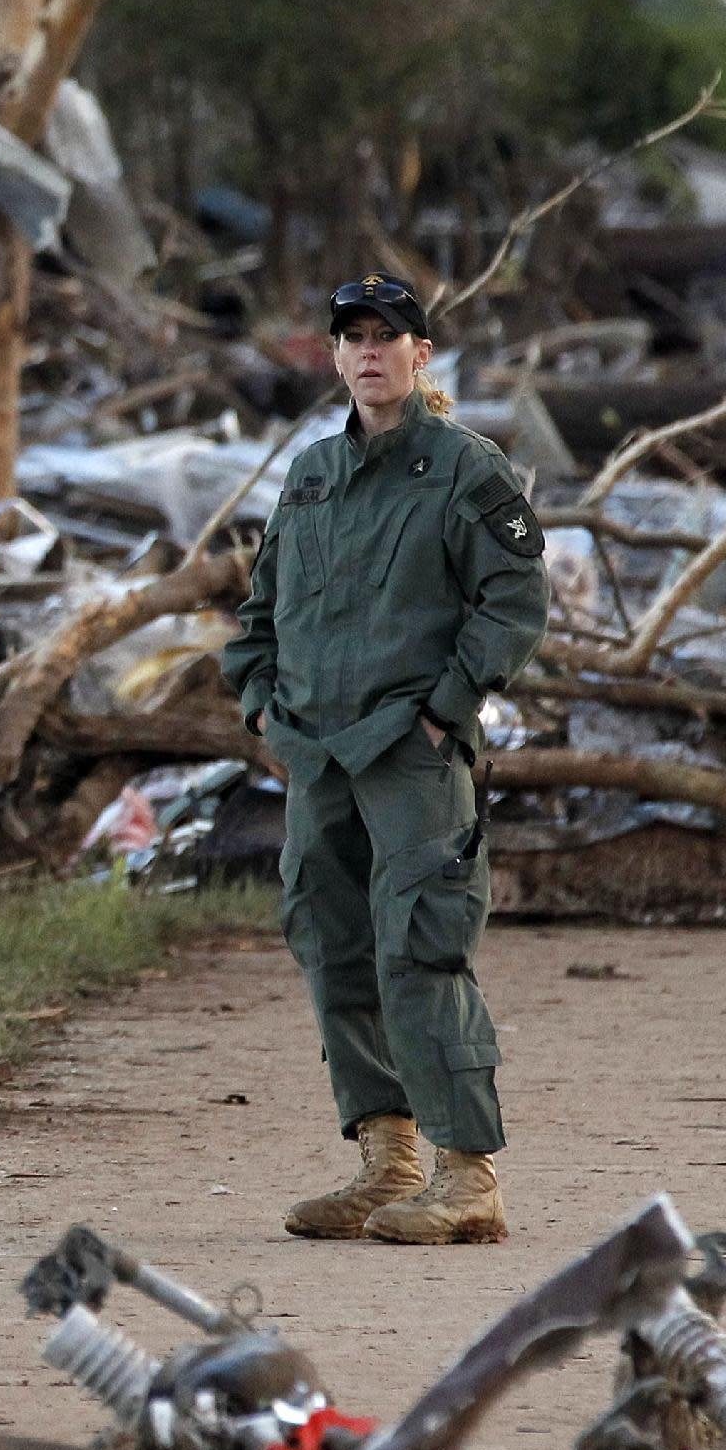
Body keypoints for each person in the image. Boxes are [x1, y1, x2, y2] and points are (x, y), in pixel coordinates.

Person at [220, 277, 547, 1245]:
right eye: (351, 338)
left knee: (421, 944)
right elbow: (261, 609)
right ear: (332, 357)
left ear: (420, 354)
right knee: (331, 944)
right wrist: (261, 706)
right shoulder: (312, 472)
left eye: (386, 337)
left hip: (408, 750)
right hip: (317, 753)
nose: (369, 352)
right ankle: (387, 1161)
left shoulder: (464, 470)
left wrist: (446, 712)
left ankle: (465, 1173)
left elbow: (513, 600)